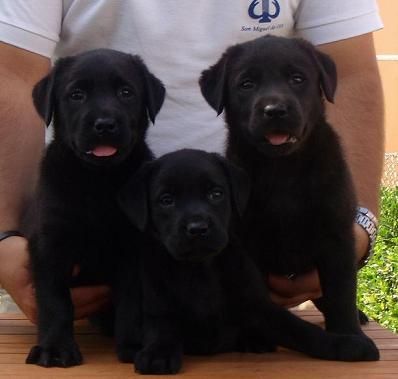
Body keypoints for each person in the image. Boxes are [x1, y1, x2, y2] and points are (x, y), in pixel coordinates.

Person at [0, 0, 384, 323]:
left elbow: (351, 73)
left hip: (245, 252)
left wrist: (358, 223)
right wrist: (4, 237)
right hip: (92, 255)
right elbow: (13, 75)